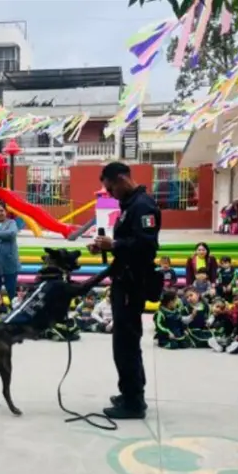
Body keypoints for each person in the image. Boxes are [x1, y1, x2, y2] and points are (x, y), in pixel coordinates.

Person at [90, 162, 161, 419]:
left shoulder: (143, 206)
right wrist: (107, 246)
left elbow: (147, 247)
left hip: (133, 283)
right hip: (123, 280)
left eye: (111, 189)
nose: (111, 194)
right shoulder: (130, 205)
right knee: (124, 341)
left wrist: (115, 244)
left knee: (126, 342)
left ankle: (133, 402)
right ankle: (130, 392)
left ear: (121, 179)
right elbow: (128, 242)